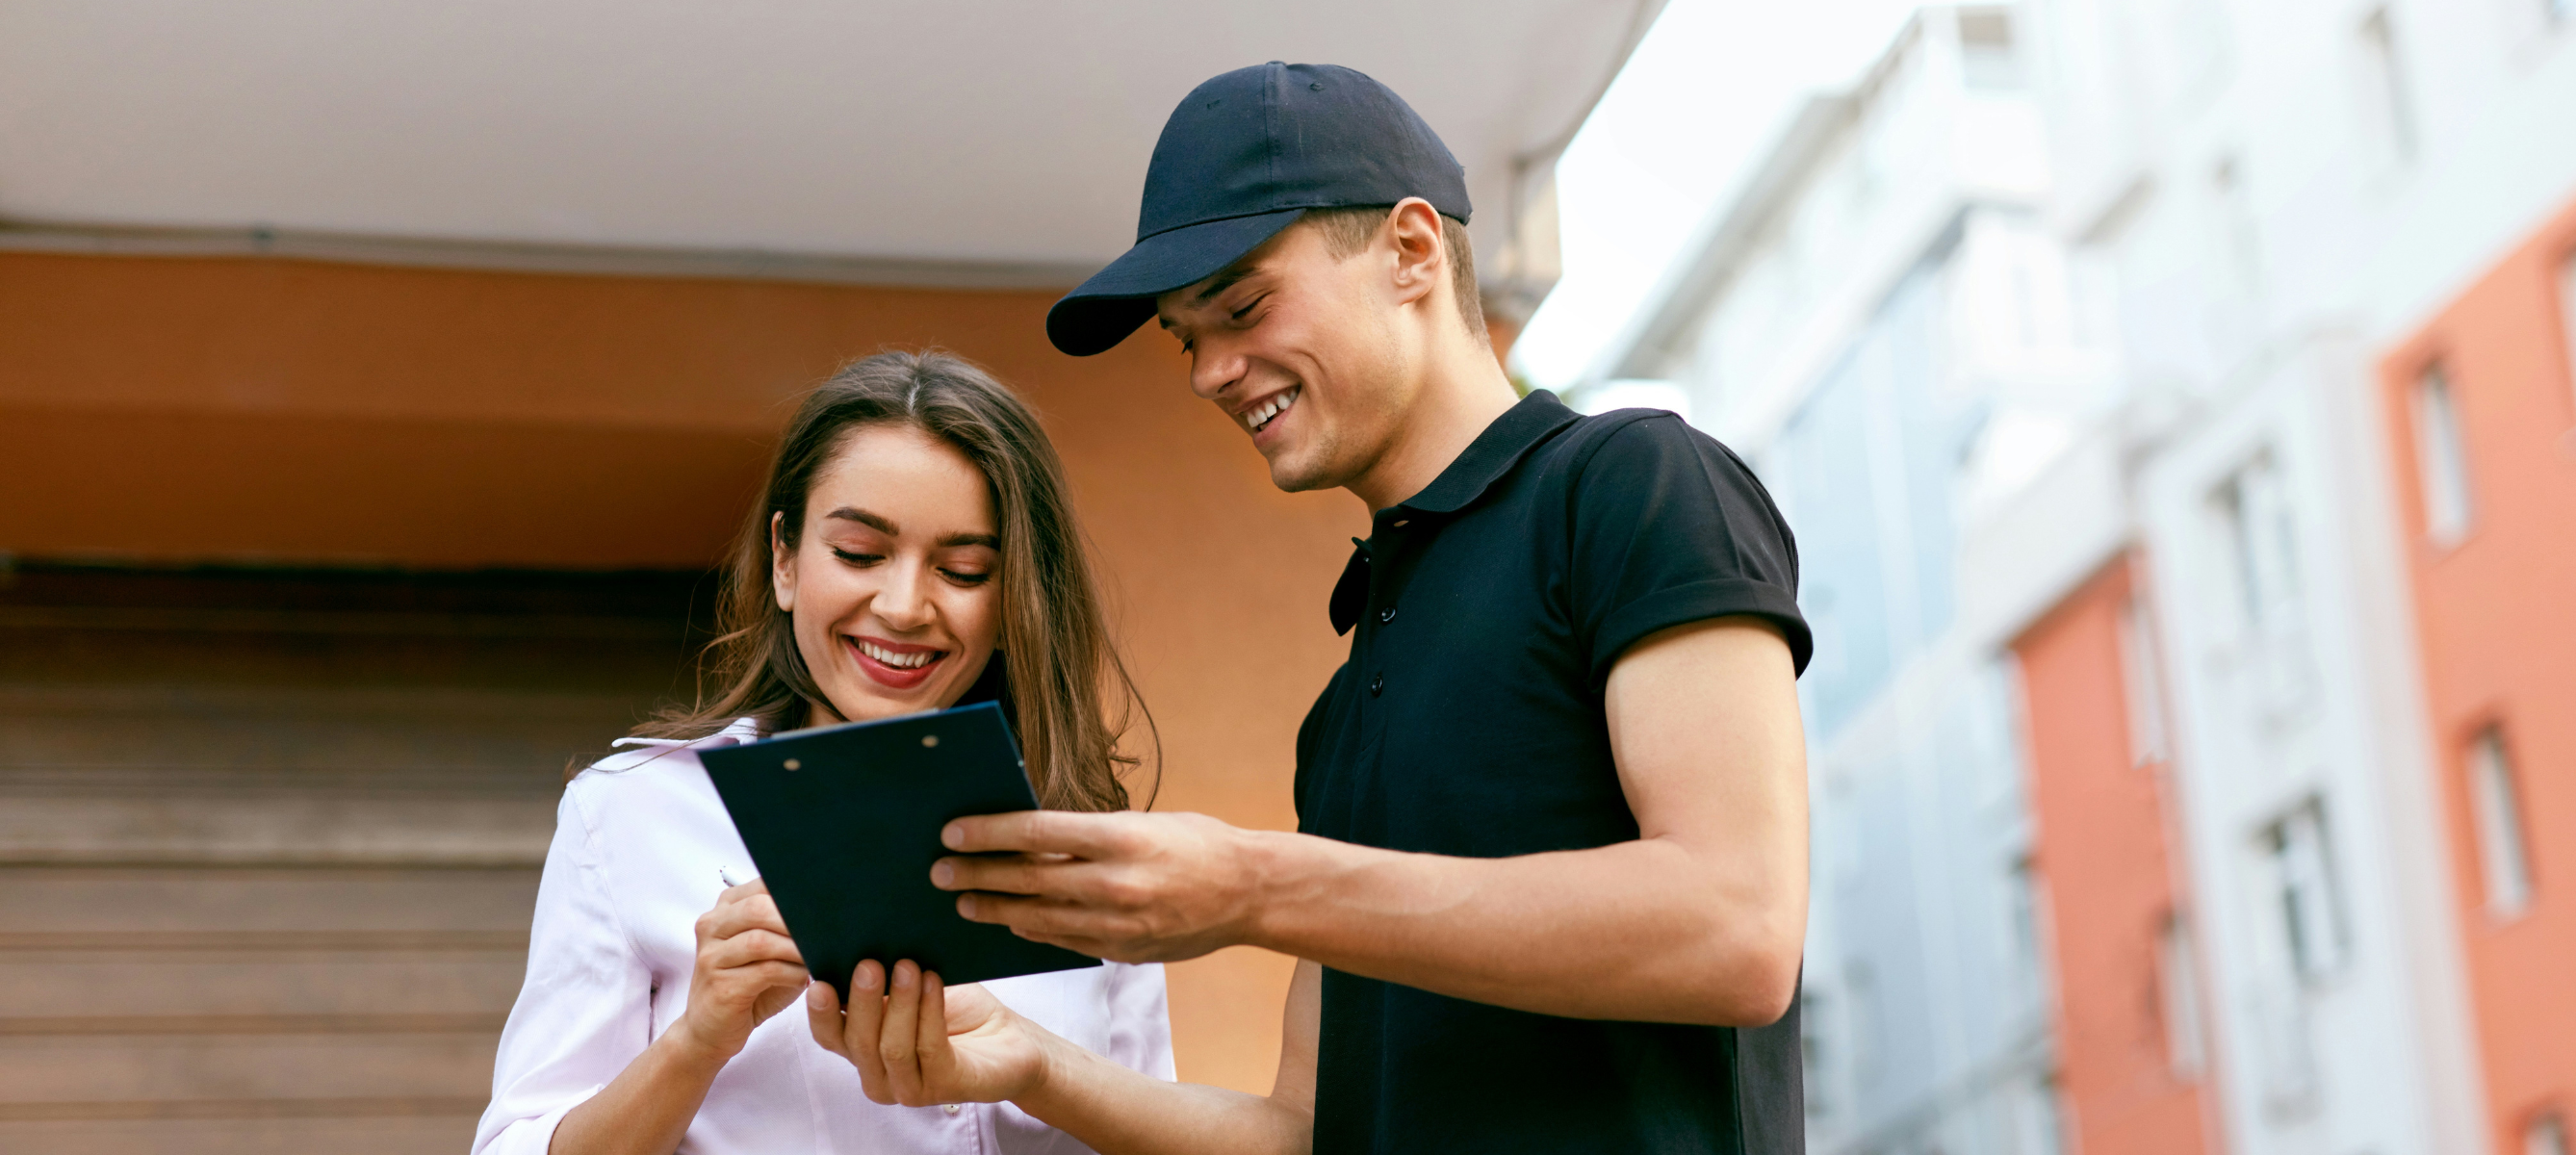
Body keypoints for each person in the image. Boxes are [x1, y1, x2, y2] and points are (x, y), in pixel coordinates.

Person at [809, 64, 1815, 1154]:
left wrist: (1250, 883)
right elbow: (1300, 1129)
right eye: (1186, 338)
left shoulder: (1634, 484)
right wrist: (1031, 1062)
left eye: (1241, 307)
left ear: (1413, 250)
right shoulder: (1351, 689)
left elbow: (1739, 926)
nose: (1208, 373)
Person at [473, 352, 1174, 1155]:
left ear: (1015, 594)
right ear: (785, 558)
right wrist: (696, 1041)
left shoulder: (1087, 842)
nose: (906, 607)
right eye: (859, 554)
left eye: (963, 569)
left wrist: (1042, 1069)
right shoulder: (628, 815)